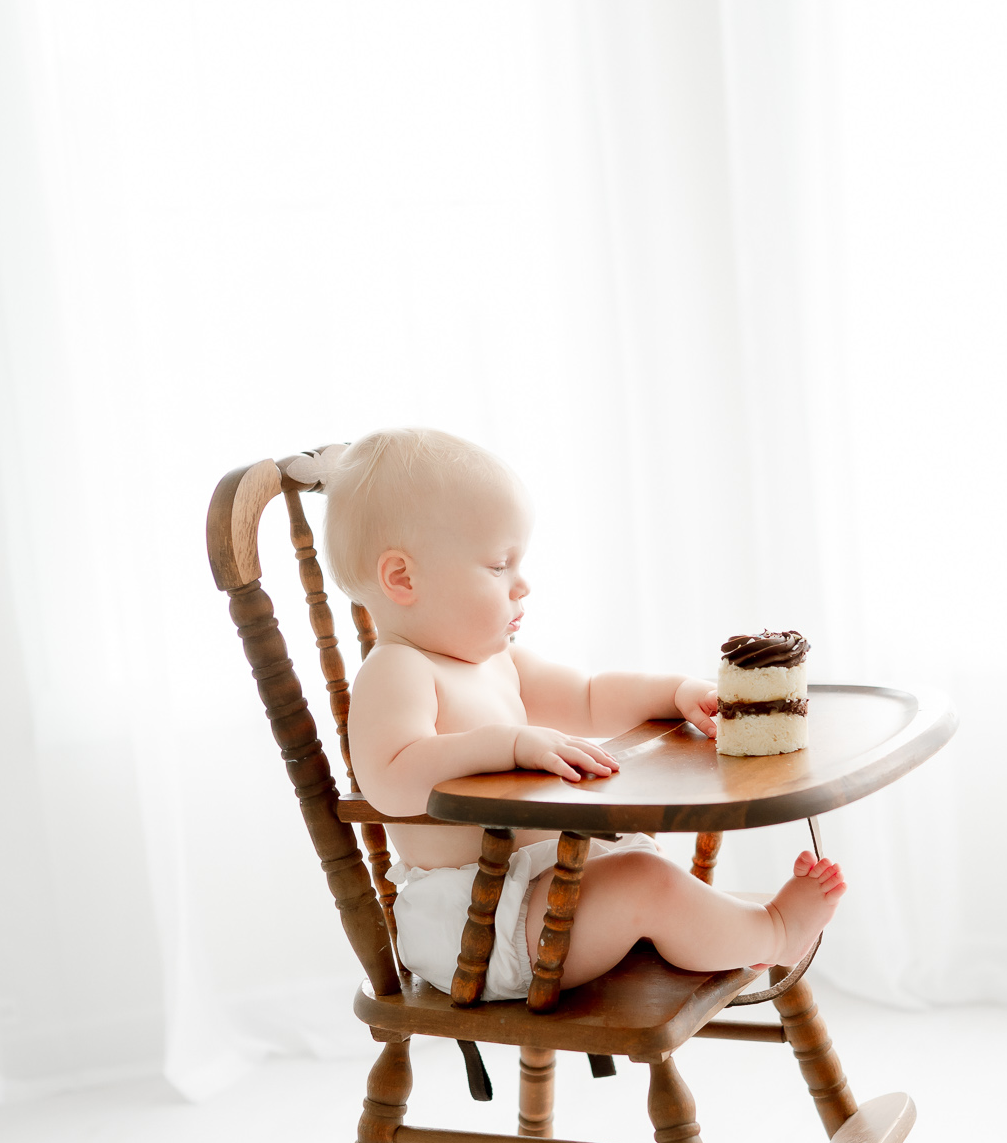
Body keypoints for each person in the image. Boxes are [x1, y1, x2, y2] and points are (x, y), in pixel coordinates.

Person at [319, 427, 846, 1000]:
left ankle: (703, 930)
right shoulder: (397, 670)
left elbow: (590, 696)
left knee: (636, 864)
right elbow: (392, 781)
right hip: (481, 927)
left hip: (539, 895)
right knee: (644, 882)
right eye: (499, 567)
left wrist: (672, 693)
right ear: (403, 578)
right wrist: (511, 744)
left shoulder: (499, 662)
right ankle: (772, 933)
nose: (523, 585)